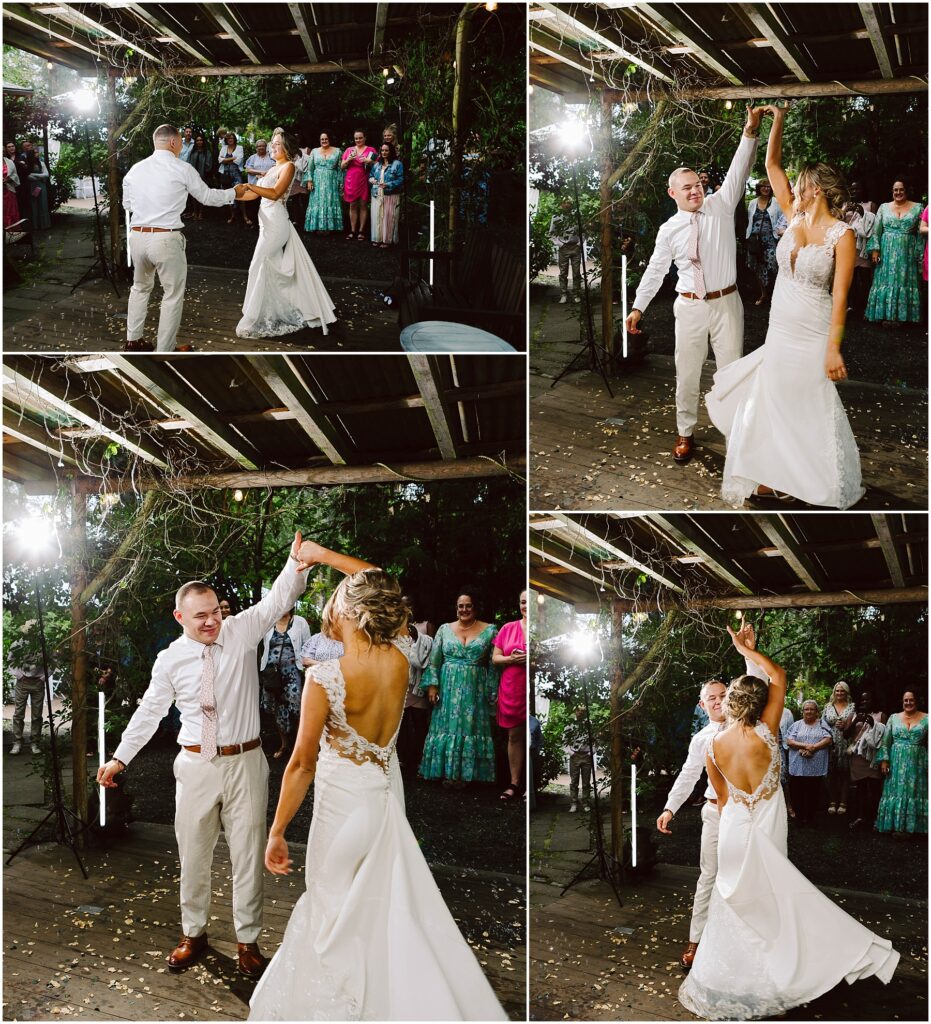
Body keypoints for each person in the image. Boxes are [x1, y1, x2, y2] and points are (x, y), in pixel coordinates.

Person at [247, 556, 507, 1020]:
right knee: (378, 907)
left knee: (332, 911)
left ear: (350, 610)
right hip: (385, 795)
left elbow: (302, 763)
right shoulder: (403, 656)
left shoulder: (324, 677)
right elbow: (383, 580)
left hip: (342, 807)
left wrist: (277, 830)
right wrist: (322, 555)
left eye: (338, 598)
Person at [96, 532, 323, 978]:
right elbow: (150, 711)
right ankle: (193, 934)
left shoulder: (241, 631)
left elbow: (279, 598)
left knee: (247, 853)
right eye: (200, 616)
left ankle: (248, 941)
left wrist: (298, 561)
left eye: (216, 612)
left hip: (246, 762)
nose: (211, 622)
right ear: (180, 616)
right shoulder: (169, 659)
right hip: (195, 765)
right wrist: (120, 758)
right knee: (193, 854)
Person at [678, 626, 900, 1020]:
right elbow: (778, 676)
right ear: (760, 704)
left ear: (728, 704)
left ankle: (732, 979)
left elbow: (724, 798)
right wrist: (747, 650)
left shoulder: (712, 744)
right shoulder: (768, 730)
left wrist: (741, 649)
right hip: (766, 827)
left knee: (731, 902)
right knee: (770, 900)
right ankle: (777, 970)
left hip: (732, 830)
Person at [705, 104, 863, 508]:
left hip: (813, 329)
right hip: (780, 326)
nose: (796, 188)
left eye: (804, 184)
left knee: (805, 403)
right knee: (773, 400)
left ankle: (807, 478)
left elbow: (842, 297)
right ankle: (775, 475)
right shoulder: (793, 217)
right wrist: (774, 121)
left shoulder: (842, 236)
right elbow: (772, 164)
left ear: (819, 190)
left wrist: (833, 348)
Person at [626, 106, 762, 464]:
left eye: (698, 186)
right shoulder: (668, 230)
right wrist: (638, 307)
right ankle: (685, 433)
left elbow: (739, 169)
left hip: (726, 304)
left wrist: (749, 131)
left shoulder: (721, 205)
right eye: (687, 188)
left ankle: (735, 434)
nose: (695, 192)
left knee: (730, 371)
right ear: (673, 194)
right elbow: (656, 269)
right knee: (686, 373)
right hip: (688, 307)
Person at [656, 623, 766, 970]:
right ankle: (696, 941)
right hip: (714, 813)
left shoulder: (748, 726)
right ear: (702, 705)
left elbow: (758, 685)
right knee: (709, 876)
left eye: (723, 695)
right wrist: (670, 807)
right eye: (712, 698)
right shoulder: (702, 738)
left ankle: (745, 943)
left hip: (747, 816)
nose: (719, 701)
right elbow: (689, 774)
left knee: (746, 878)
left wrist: (748, 651)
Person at [123, 125, 236, 352]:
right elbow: (207, 197)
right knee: (172, 295)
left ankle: (133, 341)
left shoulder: (135, 170)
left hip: (137, 237)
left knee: (140, 288)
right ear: (174, 143)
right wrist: (235, 192)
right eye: (181, 143)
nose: (182, 146)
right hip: (165, 239)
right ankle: (165, 348)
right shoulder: (182, 168)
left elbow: (127, 205)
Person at [235, 131, 337, 339]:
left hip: (276, 224)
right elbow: (253, 194)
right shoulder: (273, 168)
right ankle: (273, 308)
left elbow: (275, 193)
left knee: (258, 263)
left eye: (277, 144)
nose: (272, 147)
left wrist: (250, 184)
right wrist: (231, 194)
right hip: (266, 226)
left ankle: (256, 313)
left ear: (287, 149)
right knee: (268, 267)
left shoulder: (288, 167)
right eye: (272, 143)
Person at [419, 592, 498, 784]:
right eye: (460, 606)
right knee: (446, 726)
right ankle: (445, 772)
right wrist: (432, 687)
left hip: (475, 689)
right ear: (456, 608)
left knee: (471, 728)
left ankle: (469, 775)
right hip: (448, 689)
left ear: (475, 607)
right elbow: (434, 661)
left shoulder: (490, 630)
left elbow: (494, 665)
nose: (464, 610)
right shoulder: (444, 630)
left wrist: (491, 690)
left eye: (468, 605)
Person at [865, 179, 923, 326]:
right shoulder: (883, 208)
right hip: (886, 252)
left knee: (904, 281)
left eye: (901, 189)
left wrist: (919, 253)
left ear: (907, 190)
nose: (898, 192)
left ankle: (902, 316)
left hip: (907, 253)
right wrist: (875, 250)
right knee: (885, 281)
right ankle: (884, 315)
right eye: (895, 190)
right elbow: (876, 231)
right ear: (892, 191)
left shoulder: (918, 208)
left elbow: (920, 234)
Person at [259, 607, 312, 760]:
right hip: (272, 673)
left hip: (292, 672)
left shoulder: (300, 622)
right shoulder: (268, 623)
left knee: (296, 708)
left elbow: (307, 647)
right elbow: (263, 646)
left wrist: (308, 668)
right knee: (276, 708)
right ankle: (284, 744)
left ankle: (299, 745)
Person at [875, 690, 927, 835]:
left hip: (918, 762)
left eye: (912, 700)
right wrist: (884, 761)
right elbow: (886, 742)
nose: (908, 703)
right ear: (902, 702)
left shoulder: (927, 719)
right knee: (895, 792)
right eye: (906, 700)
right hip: (896, 762)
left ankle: (915, 828)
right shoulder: (893, 718)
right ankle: (895, 826)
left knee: (915, 792)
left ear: (917, 701)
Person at [492, 590, 527, 801]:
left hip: (530, 686)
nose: (525, 606)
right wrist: (511, 660)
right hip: (511, 687)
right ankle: (514, 783)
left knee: (531, 737)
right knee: (514, 736)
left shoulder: (537, 629)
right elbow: (495, 658)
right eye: (522, 602)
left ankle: (529, 788)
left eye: (528, 603)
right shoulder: (508, 628)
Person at [397, 593, 435, 781]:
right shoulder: (395, 627)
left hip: (419, 683)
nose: (407, 608)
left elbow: (433, 654)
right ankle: (404, 759)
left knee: (420, 724)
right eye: (403, 605)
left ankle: (420, 760)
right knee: (402, 724)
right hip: (402, 682)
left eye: (409, 604)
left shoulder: (425, 626)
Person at [784, 700, 833, 824]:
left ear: (817, 712)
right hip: (798, 765)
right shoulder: (797, 725)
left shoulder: (822, 724)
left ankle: (810, 817)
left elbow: (828, 739)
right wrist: (806, 746)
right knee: (797, 791)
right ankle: (799, 816)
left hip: (815, 765)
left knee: (813, 792)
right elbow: (789, 741)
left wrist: (814, 748)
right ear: (803, 712)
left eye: (812, 709)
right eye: (806, 709)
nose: (809, 711)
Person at [845, 689, 886, 830]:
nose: (865, 702)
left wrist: (873, 723)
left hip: (873, 757)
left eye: (868, 699)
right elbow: (845, 735)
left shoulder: (880, 715)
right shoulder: (853, 715)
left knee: (875, 789)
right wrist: (857, 720)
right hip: (858, 757)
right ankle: (860, 817)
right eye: (862, 700)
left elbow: (884, 736)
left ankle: (875, 819)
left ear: (873, 700)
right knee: (860, 788)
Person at [745, 179, 785, 306]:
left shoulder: (776, 202)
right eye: (763, 186)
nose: (766, 188)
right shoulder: (752, 203)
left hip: (770, 240)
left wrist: (780, 233)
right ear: (759, 188)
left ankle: (777, 295)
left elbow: (782, 219)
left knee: (773, 266)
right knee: (757, 266)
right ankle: (764, 294)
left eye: (768, 186)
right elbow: (750, 220)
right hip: (754, 240)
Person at [8, 622, 45, 755]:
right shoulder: (17, 644)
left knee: (37, 714)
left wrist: (43, 677)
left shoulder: (43, 644)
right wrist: (18, 675)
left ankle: (35, 742)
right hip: (22, 682)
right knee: (18, 713)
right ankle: (17, 741)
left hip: (38, 682)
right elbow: (10, 660)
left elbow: (53, 660)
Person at [844, 180, 877, 315]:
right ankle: (851, 305)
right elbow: (837, 223)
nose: (854, 192)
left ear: (863, 190)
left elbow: (875, 223)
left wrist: (863, 213)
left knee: (865, 277)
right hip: (849, 245)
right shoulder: (845, 205)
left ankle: (865, 306)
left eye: (857, 189)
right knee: (850, 278)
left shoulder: (870, 205)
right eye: (852, 190)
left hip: (863, 246)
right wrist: (845, 211)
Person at [822, 680, 855, 814]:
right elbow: (822, 724)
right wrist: (828, 735)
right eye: (837, 690)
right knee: (831, 773)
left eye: (842, 691)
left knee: (845, 773)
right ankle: (832, 801)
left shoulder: (852, 707)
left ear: (846, 692)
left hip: (847, 742)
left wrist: (846, 726)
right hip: (831, 743)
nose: (840, 693)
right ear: (834, 692)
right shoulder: (828, 706)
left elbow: (857, 725)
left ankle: (843, 802)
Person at [303, 131, 343, 234]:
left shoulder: (338, 151)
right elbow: (310, 168)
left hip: (331, 181)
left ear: (329, 139)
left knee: (330, 201)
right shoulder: (314, 152)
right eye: (322, 139)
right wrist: (309, 181)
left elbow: (340, 169)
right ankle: (317, 226)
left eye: (326, 139)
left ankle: (329, 227)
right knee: (317, 202)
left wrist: (340, 183)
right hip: (317, 181)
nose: (324, 141)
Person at [340, 130, 376, 240]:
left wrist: (369, 161)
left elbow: (377, 165)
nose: (358, 140)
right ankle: (352, 230)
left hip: (364, 178)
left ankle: (361, 230)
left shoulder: (371, 150)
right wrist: (349, 159)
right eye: (356, 138)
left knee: (363, 205)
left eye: (360, 138)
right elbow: (342, 166)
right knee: (353, 205)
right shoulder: (349, 150)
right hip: (351, 179)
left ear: (365, 138)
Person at [369, 142, 404, 247]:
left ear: (391, 151)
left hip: (390, 194)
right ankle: (377, 238)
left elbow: (401, 179)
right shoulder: (377, 164)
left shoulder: (397, 164)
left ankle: (387, 240)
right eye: (382, 150)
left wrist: (388, 184)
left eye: (386, 150)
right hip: (377, 194)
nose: (384, 152)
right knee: (377, 217)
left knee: (388, 218)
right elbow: (370, 176)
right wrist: (372, 180)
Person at [548, 196, 582, 304]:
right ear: (561, 204)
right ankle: (563, 294)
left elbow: (584, 231)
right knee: (563, 273)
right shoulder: (556, 217)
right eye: (564, 203)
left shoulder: (577, 217)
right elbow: (552, 233)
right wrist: (559, 244)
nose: (567, 205)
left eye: (569, 202)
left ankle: (576, 294)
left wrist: (579, 243)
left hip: (575, 247)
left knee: (576, 272)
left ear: (571, 204)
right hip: (564, 247)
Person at [564, 705, 592, 813]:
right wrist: (571, 753)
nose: (580, 713)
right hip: (575, 755)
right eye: (578, 711)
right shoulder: (569, 725)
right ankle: (574, 803)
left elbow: (594, 739)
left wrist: (591, 752)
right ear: (575, 711)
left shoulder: (589, 724)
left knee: (586, 781)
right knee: (574, 780)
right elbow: (564, 740)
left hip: (586, 755)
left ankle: (586, 803)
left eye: (583, 711)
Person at [242, 140, 275, 227]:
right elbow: (248, 170)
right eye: (259, 146)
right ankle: (256, 224)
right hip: (255, 186)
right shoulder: (252, 158)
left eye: (263, 146)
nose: (261, 147)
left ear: (266, 147)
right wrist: (260, 173)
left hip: (268, 186)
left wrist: (266, 174)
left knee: (267, 205)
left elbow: (275, 168)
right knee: (254, 205)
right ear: (256, 148)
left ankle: (268, 224)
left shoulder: (271, 157)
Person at [183, 133, 214, 222]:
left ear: (203, 142)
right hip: (193, 178)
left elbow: (209, 166)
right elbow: (189, 164)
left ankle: (200, 212)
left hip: (203, 177)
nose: (199, 142)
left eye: (201, 140)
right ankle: (195, 212)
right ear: (195, 142)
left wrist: (204, 173)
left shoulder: (207, 152)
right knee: (193, 195)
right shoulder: (193, 152)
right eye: (197, 140)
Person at [218, 132, 245, 224]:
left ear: (235, 139)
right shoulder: (224, 148)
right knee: (228, 196)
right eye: (228, 138)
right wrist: (232, 158)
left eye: (232, 138)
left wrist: (225, 160)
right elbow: (219, 160)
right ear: (226, 140)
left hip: (236, 174)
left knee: (240, 195)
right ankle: (232, 216)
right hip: (225, 174)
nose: (230, 140)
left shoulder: (240, 148)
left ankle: (245, 216)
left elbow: (239, 160)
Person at [25, 149, 51, 230]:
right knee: (34, 206)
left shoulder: (41, 163)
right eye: (35, 152)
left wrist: (33, 175)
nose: (37, 153)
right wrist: (40, 176)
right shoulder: (27, 165)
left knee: (43, 204)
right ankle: (36, 225)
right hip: (32, 187)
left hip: (41, 186)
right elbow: (27, 176)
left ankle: (44, 225)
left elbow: (46, 174)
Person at [3, 146, 20, 228]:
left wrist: (9, 179)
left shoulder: (9, 162)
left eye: (3, 151)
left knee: (11, 211)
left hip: (9, 190)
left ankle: (11, 233)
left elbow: (15, 175)